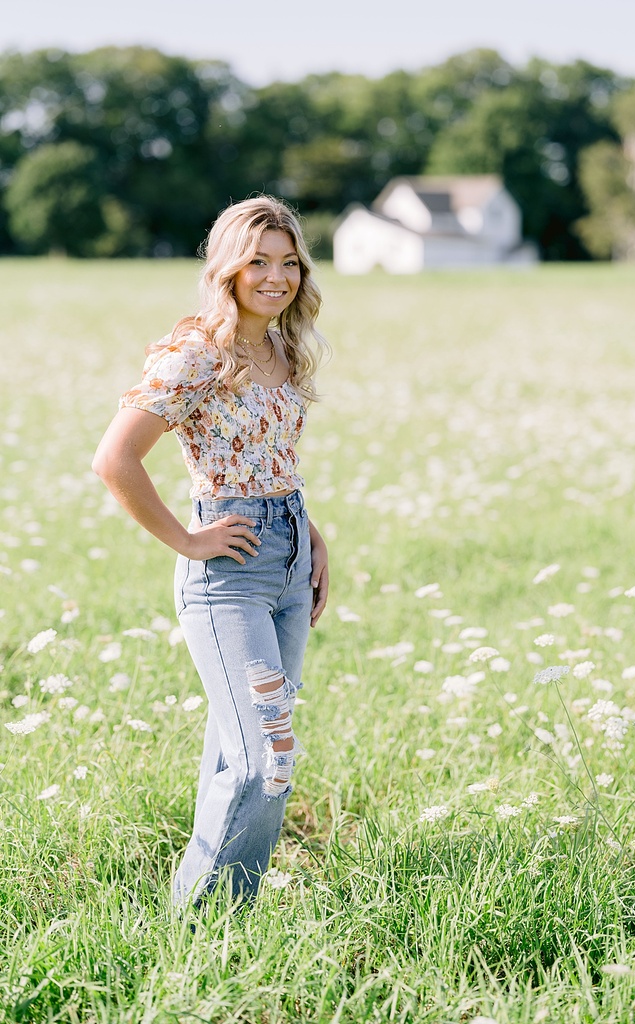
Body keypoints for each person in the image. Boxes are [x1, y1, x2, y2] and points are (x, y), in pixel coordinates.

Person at [93, 196, 330, 907]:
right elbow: (115, 459)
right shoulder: (200, 353)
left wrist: (311, 537)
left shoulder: (284, 349)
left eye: (288, 262)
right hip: (228, 573)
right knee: (268, 758)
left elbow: (275, 459)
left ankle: (221, 921)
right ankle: (201, 925)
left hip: (287, 558)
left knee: (244, 754)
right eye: (257, 260)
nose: (275, 276)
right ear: (227, 266)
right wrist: (190, 539)